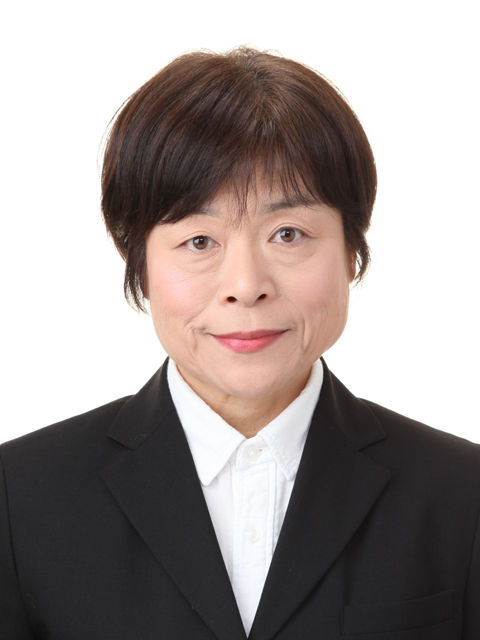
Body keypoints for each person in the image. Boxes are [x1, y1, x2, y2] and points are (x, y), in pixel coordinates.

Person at [1, 45, 479, 640]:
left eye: (288, 233)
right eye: (199, 241)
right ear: (139, 264)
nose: (246, 286)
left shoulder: (462, 494)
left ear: (352, 251)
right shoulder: (18, 497)